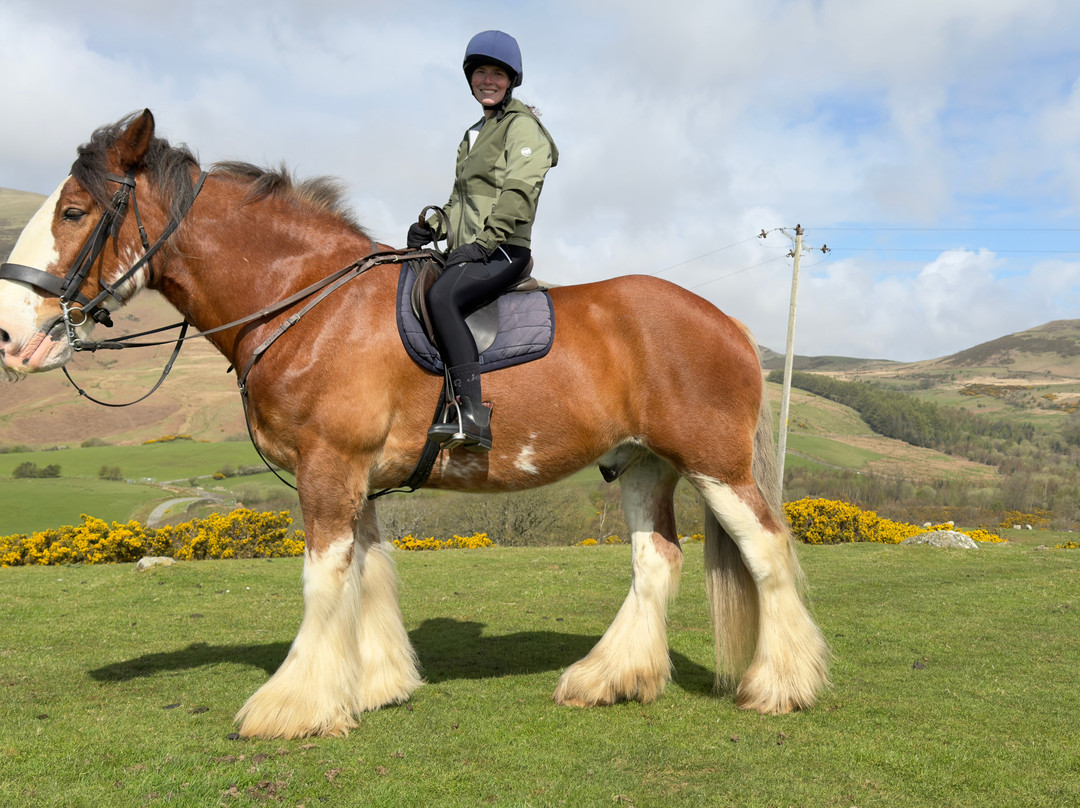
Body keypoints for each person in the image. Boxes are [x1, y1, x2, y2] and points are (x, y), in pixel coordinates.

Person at [407, 29, 558, 452]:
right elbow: (460, 199)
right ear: (470, 78)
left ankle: (469, 413)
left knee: (441, 298)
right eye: (480, 73)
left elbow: (518, 191)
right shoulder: (474, 133)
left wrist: (487, 243)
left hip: (504, 249)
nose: (487, 80)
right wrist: (433, 230)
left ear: (511, 80)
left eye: (497, 73)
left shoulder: (522, 128)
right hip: (470, 249)